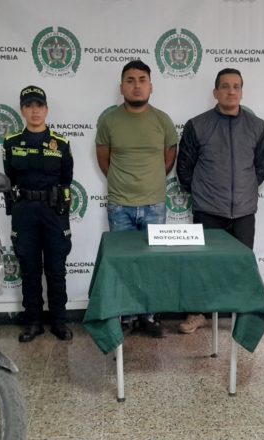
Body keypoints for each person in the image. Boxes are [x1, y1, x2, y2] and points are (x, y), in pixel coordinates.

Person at [176, 68, 264, 334]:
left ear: (241, 91)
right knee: (202, 265)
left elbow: (261, 167)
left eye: (236, 86)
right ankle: (196, 314)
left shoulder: (257, 126)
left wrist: (244, 190)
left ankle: (241, 313)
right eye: (225, 86)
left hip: (243, 211)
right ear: (215, 92)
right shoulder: (197, 125)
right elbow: (185, 169)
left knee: (241, 266)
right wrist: (204, 193)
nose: (231, 91)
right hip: (208, 210)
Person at [95, 60, 178, 338]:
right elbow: (104, 159)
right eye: (130, 80)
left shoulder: (162, 120)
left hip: (154, 204)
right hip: (120, 205)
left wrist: (148, 182)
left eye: (142, 79)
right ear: (122, 87)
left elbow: (168, 161)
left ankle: (150, 316)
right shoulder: (109, 120)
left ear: (151, 86)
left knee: (152, 264)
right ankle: (126, 315)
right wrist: (125, 184)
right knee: (123, 263)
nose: (137, 85)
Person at [3, 85, 74, 342]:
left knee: (56, 268)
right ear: (22, 110)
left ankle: (59, 321)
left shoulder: (61, 144)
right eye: (29, 106)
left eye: (39, 105)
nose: (35, 111)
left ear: (46, 109)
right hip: (24, 212)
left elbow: (67, 178)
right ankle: (33, 321)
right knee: (29, 268)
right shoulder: (11, 143)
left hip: (53, 212)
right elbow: (9, 177)